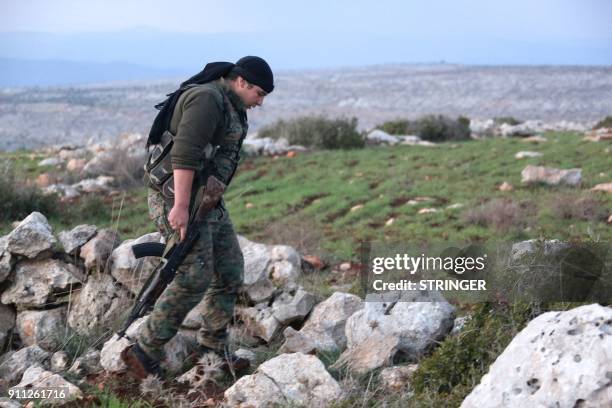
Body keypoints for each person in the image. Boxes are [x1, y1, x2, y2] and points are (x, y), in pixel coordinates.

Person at [121, 56, 274, 379]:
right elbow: (186, 152)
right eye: (259, 93)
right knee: (194, 275)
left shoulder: (232, 104)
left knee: (231, 269)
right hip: (178, 198)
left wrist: (206, 199)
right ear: (241, 82)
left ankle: (212, 351)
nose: (260, 102)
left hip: (206, 200)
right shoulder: (207, 99)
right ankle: (144, 350)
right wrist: (179, 206)